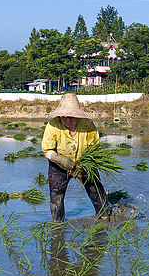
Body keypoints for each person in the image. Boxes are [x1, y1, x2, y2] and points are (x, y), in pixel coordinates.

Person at [41, 93, 108, 222]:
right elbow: (46, 151)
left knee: (96, 190)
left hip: (84, 163)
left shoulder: (87, 124)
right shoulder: (53, 125)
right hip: (59, 166)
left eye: (71, 117)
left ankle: (104, 218)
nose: (67, 120)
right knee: (56, 196)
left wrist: (85, 163)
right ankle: (58, 225)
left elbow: (94, 147)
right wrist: (61, 160)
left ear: (77, 116)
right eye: (64, 117)